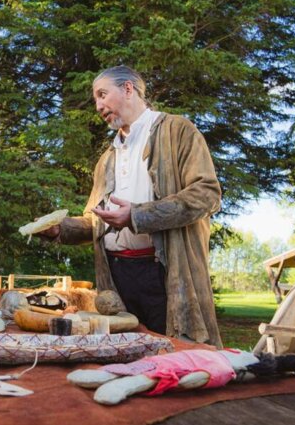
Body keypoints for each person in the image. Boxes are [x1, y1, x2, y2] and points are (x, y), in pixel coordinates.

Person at [38, 66, 223, 346]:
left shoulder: (177, 130)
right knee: (125, 355)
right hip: (116, 278)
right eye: (95, 100)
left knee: (175, 355)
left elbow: (206, 194)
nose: (99, 106)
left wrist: (137, 215)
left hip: (165, 273)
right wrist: (59, 230)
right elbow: (96, 221)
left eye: (102, 95)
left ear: (128, 89)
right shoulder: (107, 159)